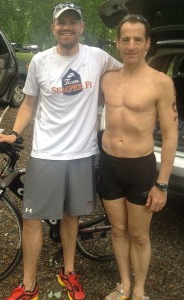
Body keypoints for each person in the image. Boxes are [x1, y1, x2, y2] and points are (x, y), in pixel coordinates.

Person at [0, 2, 122, 300]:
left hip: (81, 154)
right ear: (53, 27)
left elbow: (127, 74)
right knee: (32, 218)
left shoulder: (98, 57)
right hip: (46, 153)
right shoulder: (40, 61)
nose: (67, 27)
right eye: (61, 22)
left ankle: (69, 272)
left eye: (73, 22)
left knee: (71, 215)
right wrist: (13, 132)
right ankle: (29, 286)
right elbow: (28, 103)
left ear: (81, 27)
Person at [99, 14, 178, 300]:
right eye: (125, 39)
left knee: (140, 234)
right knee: (118, 230)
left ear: (147, 43)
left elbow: (170, 135)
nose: (130, 45)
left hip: (140, 168)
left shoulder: (161, 82)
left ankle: (140, 289)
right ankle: (124, 284)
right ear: (118, 43)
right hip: (108, 165)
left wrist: (163, 184)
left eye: (137, 39)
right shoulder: (107, 79)